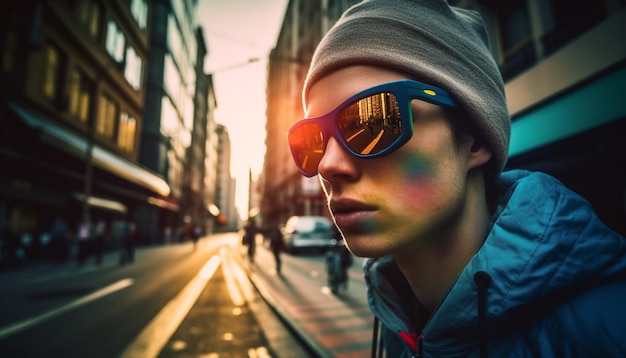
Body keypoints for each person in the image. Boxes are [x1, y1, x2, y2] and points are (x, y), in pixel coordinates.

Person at [286, 0, 626, 356]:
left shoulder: (607, 329)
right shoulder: (399, 319)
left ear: (474, 139)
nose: (327, 165)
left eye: (372, 121)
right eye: (312, 140)